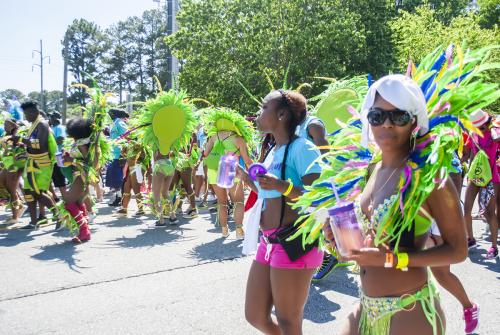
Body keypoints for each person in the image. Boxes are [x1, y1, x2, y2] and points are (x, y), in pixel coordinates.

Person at [240, 90, 323, 334]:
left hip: (295, 242)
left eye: (264, 107)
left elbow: (318, 196)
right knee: (255, 315)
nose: (259, 112)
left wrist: (282, 185)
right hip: (269, 242)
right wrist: (248, 180)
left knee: (289, 321)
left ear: (282, 114)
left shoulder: (303, 148)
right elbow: (270, 194)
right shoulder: (274, 151)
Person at [203, 108, 253, 239]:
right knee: (238, 201)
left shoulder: (214, 136)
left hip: (214, 170)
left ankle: (224, 230)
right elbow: (247, 160)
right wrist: (253, 173)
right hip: (231, 168)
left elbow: (206, 154)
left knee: (221, 202)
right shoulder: (238, 139)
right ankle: (239, 230)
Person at [462, 109, 499, 259]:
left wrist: (493, 129)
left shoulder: (494, 134)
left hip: (490, 179)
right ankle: (470, 240)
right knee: (466, 210)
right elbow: (469, 154)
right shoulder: (473, 134)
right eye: (477, 127)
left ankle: (494, 247)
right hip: (475, 178)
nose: (480, 129)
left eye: (482, 126)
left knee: (488, 213)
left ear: (487, 123)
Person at [19, 101, 58, 229]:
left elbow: (39, 145)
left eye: (26, 114)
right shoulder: (34, 124)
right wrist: (23, 145)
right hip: (33, 162)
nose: (26, 117)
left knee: (38, 192)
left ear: (34, 112)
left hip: (42, 163)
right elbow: (32, 143)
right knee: (28, 191)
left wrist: (21, 140)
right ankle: (34, 221)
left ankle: (59, 216)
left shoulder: (42, 124)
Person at [0, 118, 26, 224]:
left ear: (12, 125)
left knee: (12, 191)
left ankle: (15, 217)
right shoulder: (6, 135)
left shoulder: (16, 135)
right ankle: (18, 209)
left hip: (14, 166)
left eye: (7, 124)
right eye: (5, 124)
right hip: (7, 165)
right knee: (9, 188)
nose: (5, 126)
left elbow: (22, 150)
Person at [106, 108, 128, 206]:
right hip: (113, 154)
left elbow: (127, 135)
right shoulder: (114, 123)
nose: (109, 115)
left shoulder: (119, 123)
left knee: (118, 178)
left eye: (110, 113)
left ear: (114, 114)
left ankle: (120, 198)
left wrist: (123, 150)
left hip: (119, 154)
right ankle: (119, 197)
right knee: (115, 178)